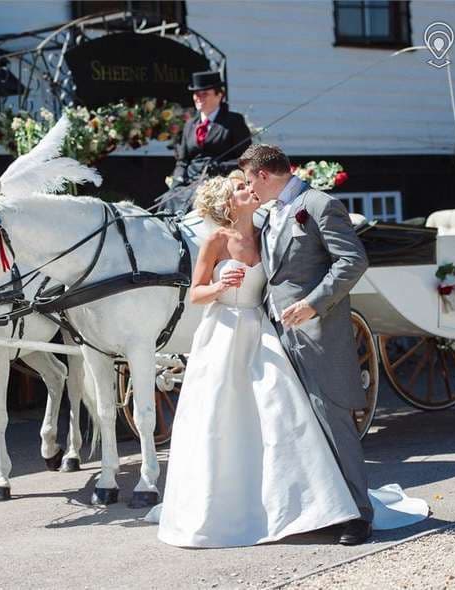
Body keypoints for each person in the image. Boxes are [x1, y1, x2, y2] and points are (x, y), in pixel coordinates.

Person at [145, 170, 428, 548]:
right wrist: (219, 286)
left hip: (262, 333)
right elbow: (195, 293)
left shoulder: (267, 233)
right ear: (228, 203)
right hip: (222, 335)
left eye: (248, 184)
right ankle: (225, 507)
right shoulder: (216, 240)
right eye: (241, 188)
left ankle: (302, 505)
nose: (249, 190)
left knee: (281, 413)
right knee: (219, 418)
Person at [239, 143, 384, 545]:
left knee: (333, 419)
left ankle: (359, 515)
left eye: (250, 180)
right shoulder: (270, 214)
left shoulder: (318, 205)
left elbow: (352, 261)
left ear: (264, 175)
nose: (249, 188)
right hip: (276, 333)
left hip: (317, 332)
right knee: (296, 425)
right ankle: (320, 509)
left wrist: (313, 304)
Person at [154, 71, 252, 215]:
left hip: (219, 182)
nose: (198, 98)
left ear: (219, 95)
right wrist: (177, 180)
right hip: (190, 182)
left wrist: (220, 166)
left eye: (204, 94)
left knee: (197, 202)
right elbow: (183, 161)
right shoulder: (190, 125)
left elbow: (247, 159)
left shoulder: (234, 121)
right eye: (196, 94)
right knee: (167, 200)